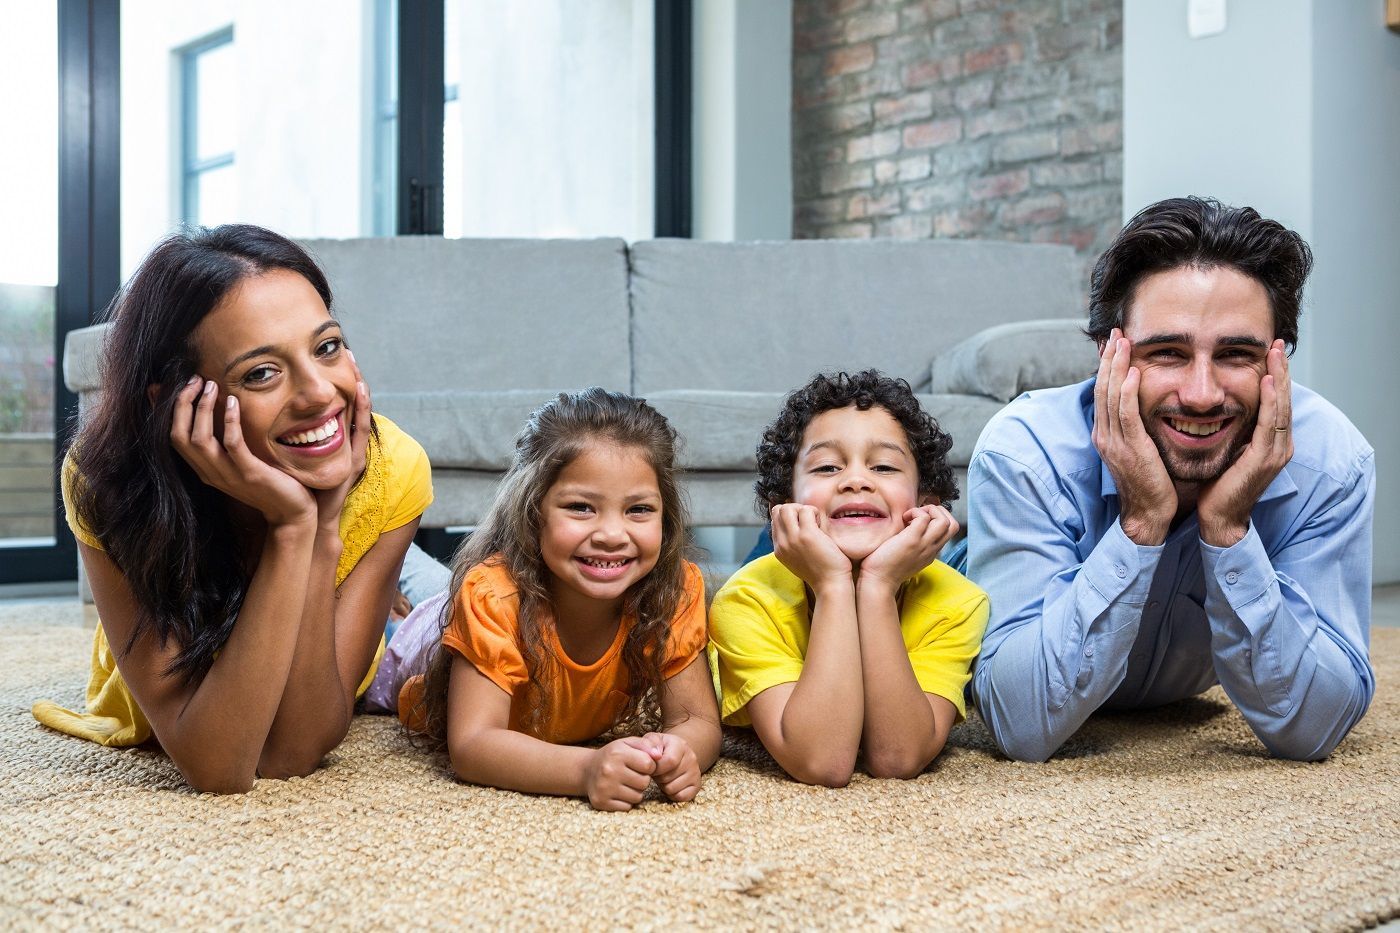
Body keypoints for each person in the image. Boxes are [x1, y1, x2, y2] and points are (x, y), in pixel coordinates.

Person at [31, 225, 441, 793]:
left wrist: (320, 530)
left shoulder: (392, 465)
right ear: (175, 399)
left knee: (472, 609)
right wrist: (294, 526)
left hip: (358, 531)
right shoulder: (108, 481)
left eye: (327, 347)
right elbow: (220, 764)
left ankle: (404, 594)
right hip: (236, 541)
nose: (320, 393)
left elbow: (296, 749)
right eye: (261, 373)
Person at [968, 196, 1375, 763]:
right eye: (1167, 352)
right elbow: (1021, 723)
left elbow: (1315, 727)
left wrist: (1229, 530)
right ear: (1109, 355)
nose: (1202, 394)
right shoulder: (1026, 452)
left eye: (1236, 354)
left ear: (1277, 363)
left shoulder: (1330, 462)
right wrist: (1140, 523)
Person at [391, 388, 721, 812]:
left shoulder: (673, 589)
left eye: (638, 509)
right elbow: (472, 745)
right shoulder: (490, 595)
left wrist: (677, 750)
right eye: (582, 507)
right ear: (533, 514)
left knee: (432, 581)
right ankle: (393, 557)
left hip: (466, 599)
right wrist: (585, 769)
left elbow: (699, 722)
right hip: (417, 639)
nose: (612, 535)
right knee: (396, 598)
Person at [708, 371, 989, 787]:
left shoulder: (959, 601)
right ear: (784, 506)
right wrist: (833, 583)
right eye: (826, 467)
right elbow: (823, 761)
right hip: (784, 570)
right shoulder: (745, 601)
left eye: (884, 466)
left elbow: (897, 758)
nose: (856, 480)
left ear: (925, 504)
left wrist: (876, 585)